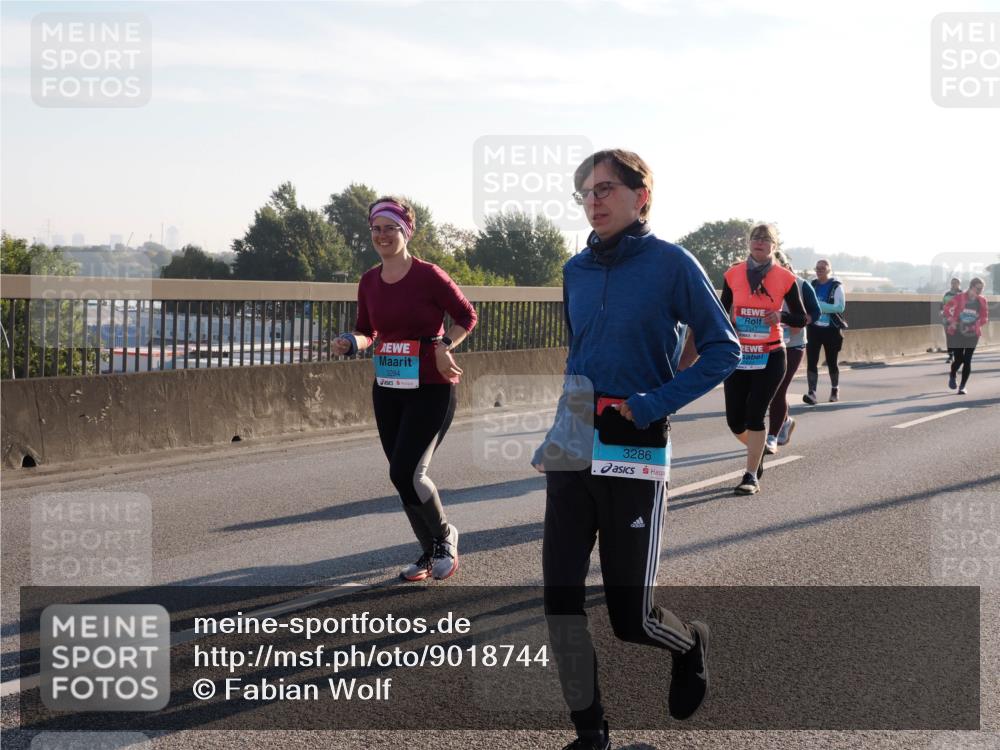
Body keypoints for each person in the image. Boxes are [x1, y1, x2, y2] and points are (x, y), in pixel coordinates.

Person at [532, 149, 740, 750]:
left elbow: (724, 348)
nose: (593, 201)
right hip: (575, 445)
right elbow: (580, 361)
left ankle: (689, 642)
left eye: (605, 189)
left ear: (640, 196)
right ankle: (591, 731)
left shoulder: (673, 265)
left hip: (637, 443)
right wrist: (559, 431)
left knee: (631, 619)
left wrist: (654, 402)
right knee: (560, 605)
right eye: (586, 193)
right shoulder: (574, 269)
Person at [333, 196, 477, 581]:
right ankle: (428, 553)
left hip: (432, 387)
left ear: (406, 231)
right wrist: (352, 341)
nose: (382, 235)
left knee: (410, 471)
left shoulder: (429, 275)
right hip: (389, 387)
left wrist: (445, 346)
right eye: (376, 229)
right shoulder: (368, 281)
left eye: (390, 228)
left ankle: (445, 536)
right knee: (400, 474)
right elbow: (368, 331)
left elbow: (467, 315)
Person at [720, 225, 807, 493]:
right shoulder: (733, 274)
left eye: (765, 239)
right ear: (749, 243)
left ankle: (750, 475)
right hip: (740, 355)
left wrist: (780, 317)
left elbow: (802, 318)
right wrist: (729, 327)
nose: (759, 242)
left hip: (770, 354)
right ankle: (756, 455)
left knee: (756, 414)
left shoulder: (785, 277)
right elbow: (721, 312)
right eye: (755, 238)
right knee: (735, 420)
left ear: (774, 245)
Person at [766, 250, 821, 454]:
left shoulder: (800, 284)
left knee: (778, 389)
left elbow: (815, 312)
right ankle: (786, 420)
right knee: (767, 390)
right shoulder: (760, 282)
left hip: (793, 344)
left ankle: (772, 436)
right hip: (768, 343)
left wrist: (799, 322)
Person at [803, 259, 847, 404]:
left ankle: (835, 389)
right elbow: (804, 302)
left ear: (829, 270)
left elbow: (839, 307)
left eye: (823, 267)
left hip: (831, 330)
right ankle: (812, 393)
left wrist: (819, 306)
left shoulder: (836, 286)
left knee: (831, 362)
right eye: (817, 267)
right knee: (811, 361)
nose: (819, 269)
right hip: (814, 329)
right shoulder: (812, 285)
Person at [943, 277, 989, 395]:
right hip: (958, 333)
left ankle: (962, 386)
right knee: (959, 359)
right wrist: (951, 320)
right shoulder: (959, 298)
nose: (980, 291)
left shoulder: (982, 300)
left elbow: (984, 317)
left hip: (973, 334)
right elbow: (947, 309)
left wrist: (978, 323)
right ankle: (953, 374)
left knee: (967, 360)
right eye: (978, 288)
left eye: (982, 289)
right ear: (971, 287)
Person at [942, 278, 962, 363]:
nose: (953, 284)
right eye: (952, 283)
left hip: (959, 320)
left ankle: (958, 355)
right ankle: (950, 356)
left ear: (959, 284)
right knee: (949, 338)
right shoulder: (947, 294)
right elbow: (942, 306)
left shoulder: (962, 294)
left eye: (955, 283)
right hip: (948, 320)